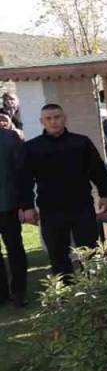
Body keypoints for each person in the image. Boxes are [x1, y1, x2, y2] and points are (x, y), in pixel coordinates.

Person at [21, 104, 107, 279]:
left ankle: (96, 289)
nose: (53, 121)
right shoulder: (32, 147)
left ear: (64, 118)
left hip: (81, 206)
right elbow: (24, 180)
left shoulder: (81, 142)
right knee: (57, 254)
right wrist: (27, 207)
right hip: (51, 210)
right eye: (49, 118)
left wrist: (105, 194)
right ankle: (66, 295)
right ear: (42, 121)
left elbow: (98, 170)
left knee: (89, 251)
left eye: (57, 117)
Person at [0, 125, 28, 306]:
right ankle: (1, 295)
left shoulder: (10, 138)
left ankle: (19, 292)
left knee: (15, 250)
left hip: (8, 205)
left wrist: (23, 205)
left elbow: (22, 173)